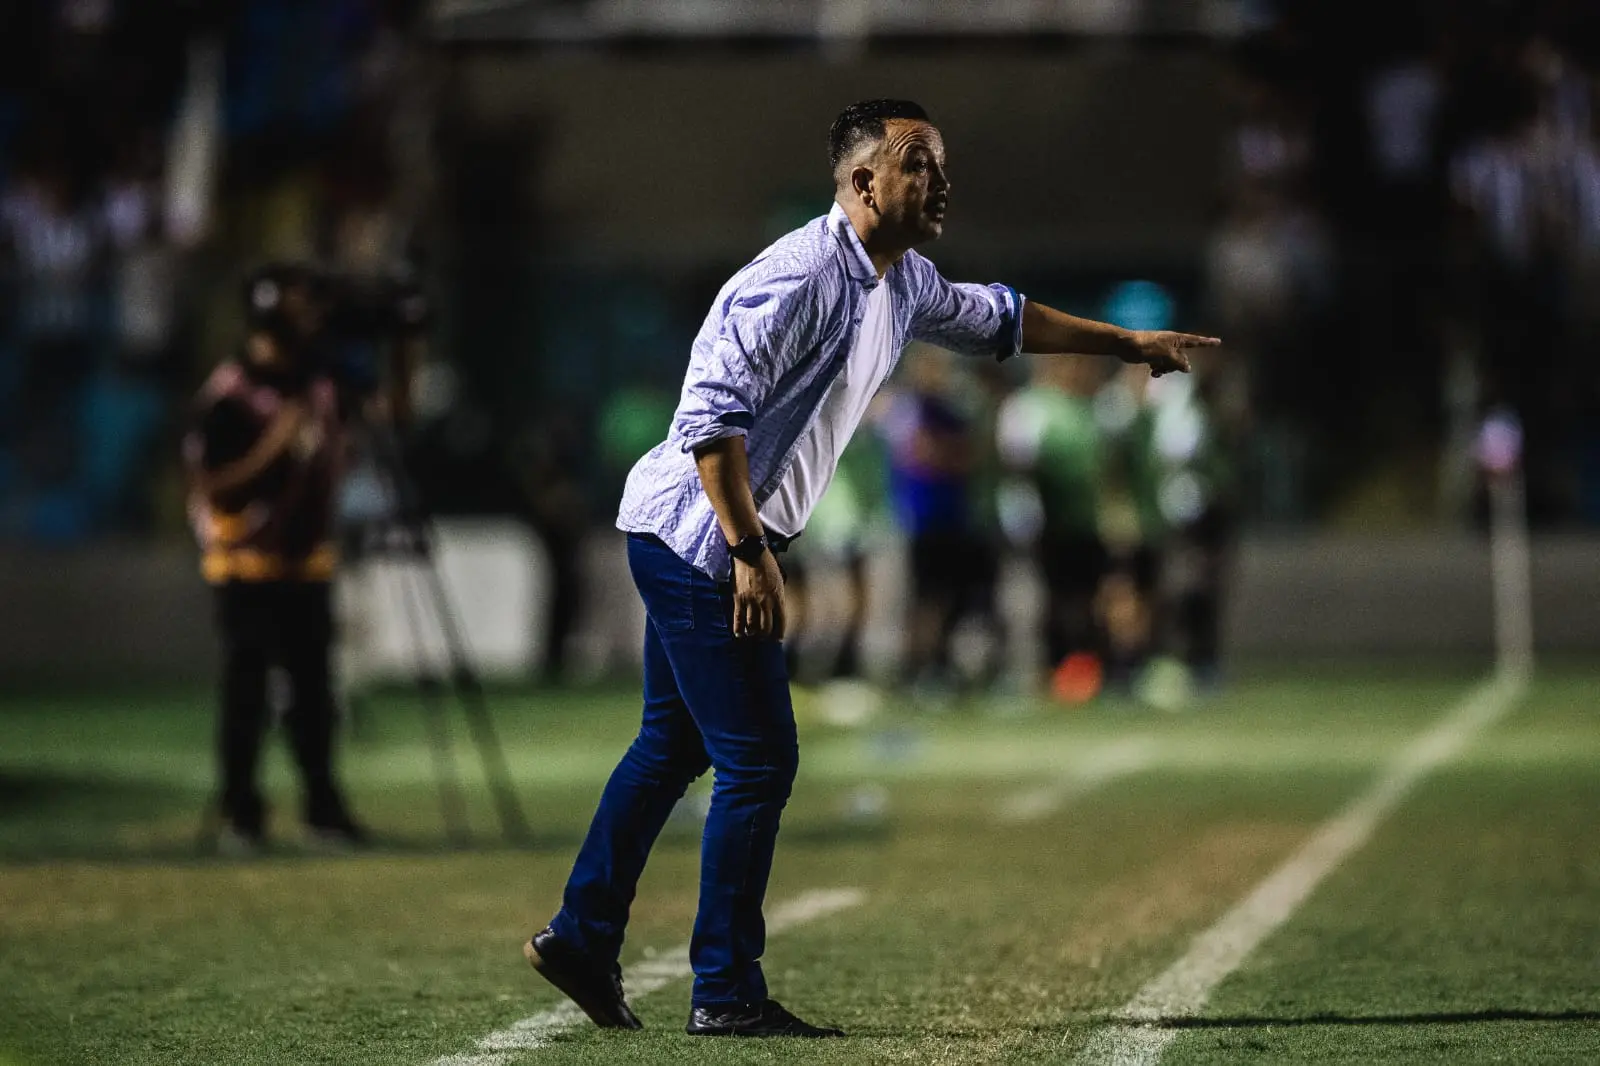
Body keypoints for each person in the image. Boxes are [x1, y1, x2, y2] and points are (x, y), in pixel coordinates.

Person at [524, 99, 1219, 1038]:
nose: (941, 182)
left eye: (940, 164)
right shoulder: (797, 276)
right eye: (919, 164)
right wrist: (749, 554)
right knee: (759, 760)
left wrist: (1127, 344)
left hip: (711, 536)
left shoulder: (904, 280)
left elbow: (1004, 318)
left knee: (674, 747)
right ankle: (724, 990)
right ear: (863, 181)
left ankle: (582, 934)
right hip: (699, 539)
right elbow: (709, 423)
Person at [183, 263, 369, 853]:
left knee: (314, 692)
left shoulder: (320, 385)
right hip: (245, 562)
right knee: (247, 692)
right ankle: (242, 811)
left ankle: (323, 808)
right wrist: (276, 443)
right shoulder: (230, 395)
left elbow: (386, 418)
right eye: (300, 304)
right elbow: (212, 487)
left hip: (306, 558)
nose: (313, 317)